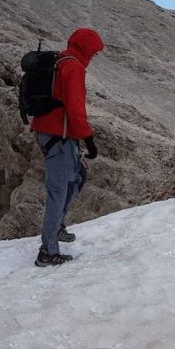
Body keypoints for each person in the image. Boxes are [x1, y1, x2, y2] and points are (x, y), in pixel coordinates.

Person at [30, 27, 105, 266]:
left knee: (78, 177)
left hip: (54, 134)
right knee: (58, 192)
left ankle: (58, 226)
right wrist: (88, 137)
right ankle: (47, 251)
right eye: (92, 52)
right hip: (58, 137)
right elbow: (74, 107)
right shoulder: (73, 67)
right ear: (85, 48)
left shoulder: (62, 60)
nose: (93, 57)